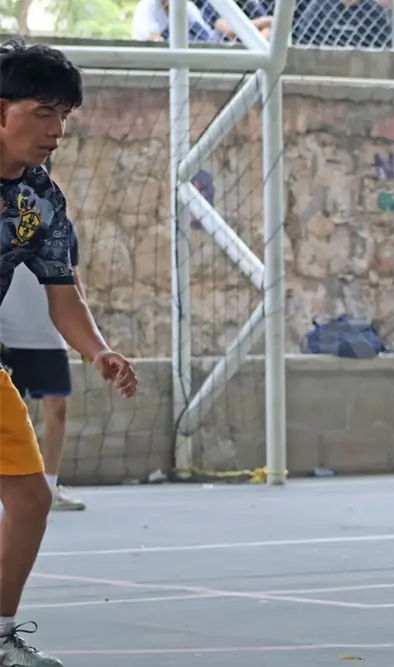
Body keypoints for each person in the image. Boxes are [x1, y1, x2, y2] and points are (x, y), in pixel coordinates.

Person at [0, 40, 138, 667]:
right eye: (42, 114)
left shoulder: (40, 200)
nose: (56, 131)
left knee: (31, 498)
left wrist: (98, 350)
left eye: (64, 117)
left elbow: (63, 292)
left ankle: (0, 638)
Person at [0, 197, 86, 511]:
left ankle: (50, 486)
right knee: (8, 416)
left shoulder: (61, 225)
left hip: (49, 333)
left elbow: (74, 281)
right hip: (7, 336)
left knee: (58, 409)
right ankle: (11, 487)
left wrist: (88, 337)